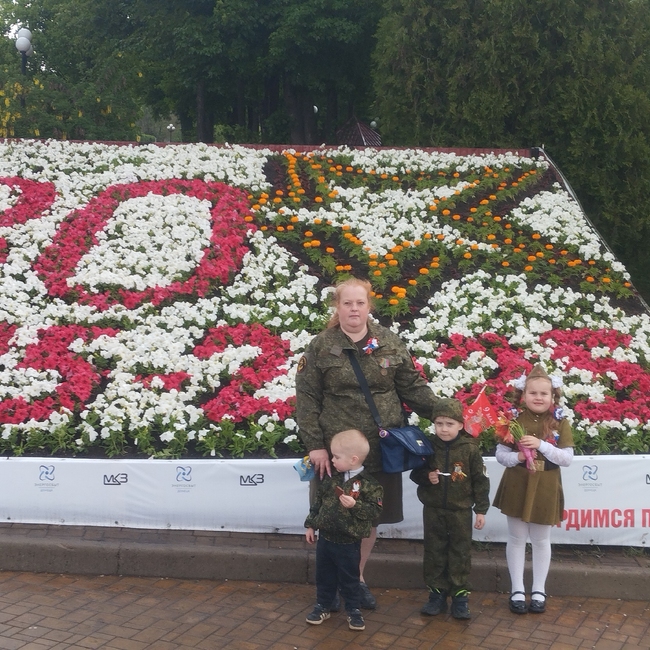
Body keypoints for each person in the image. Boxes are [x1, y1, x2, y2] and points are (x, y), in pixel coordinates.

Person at [295, 277, 440, 609]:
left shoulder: (389, 342)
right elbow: (307, 398)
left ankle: (355, 579)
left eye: (360, 303)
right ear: (337, 307)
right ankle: (332, 586)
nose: (354, 309)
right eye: (347, 303)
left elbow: (413, 387)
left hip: (378, 451)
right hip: (336, 454)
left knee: (368, 517)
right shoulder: (321, 346)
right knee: (333, 517)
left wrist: (445, 413)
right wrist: (315, 445)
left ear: (369, 306)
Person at [493, 364, 574, 615]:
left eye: (544, 393)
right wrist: (518, 456)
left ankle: (539, 590)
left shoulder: (560, 422)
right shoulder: (512, 421)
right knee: (516, 538)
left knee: (540, 540)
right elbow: (500, 455)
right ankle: (517, 589)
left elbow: (567, 458)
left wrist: (541, 445)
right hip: (518, 483)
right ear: (523, 395)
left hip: (546, 485)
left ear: (553, 396)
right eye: (533, 393)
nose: (538, 398)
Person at [410, 398, 490, 619]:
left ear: (460, 425)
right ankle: (436, 594)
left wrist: (481, 510)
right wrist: (427, 476)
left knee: (460, 552)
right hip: (433, 509)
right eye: (439, 424)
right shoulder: (428, 447)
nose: (444, 429)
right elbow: (415, 472)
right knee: (434, 550)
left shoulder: (470, 450)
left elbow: (480, 481)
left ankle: (460, 597)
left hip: (460, 511)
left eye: (449, 424)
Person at [304, 429, 383, 631]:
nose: (332, 460)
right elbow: (318, 503)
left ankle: (353, 610)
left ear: (353, 459)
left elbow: (374, 511)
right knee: (324, 575)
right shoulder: (332, 479)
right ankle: (323, 605)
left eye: (337, 457)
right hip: (326, 538)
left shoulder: (370, 485)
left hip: (349, 542)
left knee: (350, 577)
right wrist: (311, 525)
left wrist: (355, 506)